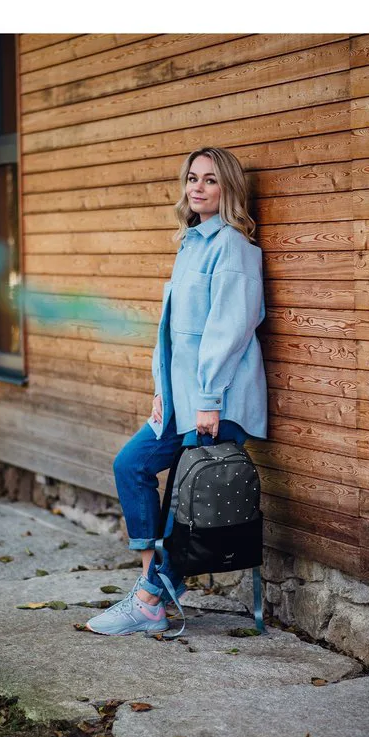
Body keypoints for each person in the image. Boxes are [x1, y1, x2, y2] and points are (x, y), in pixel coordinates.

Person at [86, 146, 268, 636]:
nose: (197, 187)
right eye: (192, 178)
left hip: (214, 402)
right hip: (180, 401)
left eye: (210, 179)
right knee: (132, 465)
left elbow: (229, 330)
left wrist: (209, 399)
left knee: (187, 505)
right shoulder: (191, 244)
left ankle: (149, 598)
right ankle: (152, 587)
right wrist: (161, 391)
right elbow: (172, 335)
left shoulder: (233, 247)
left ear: (229, 188)